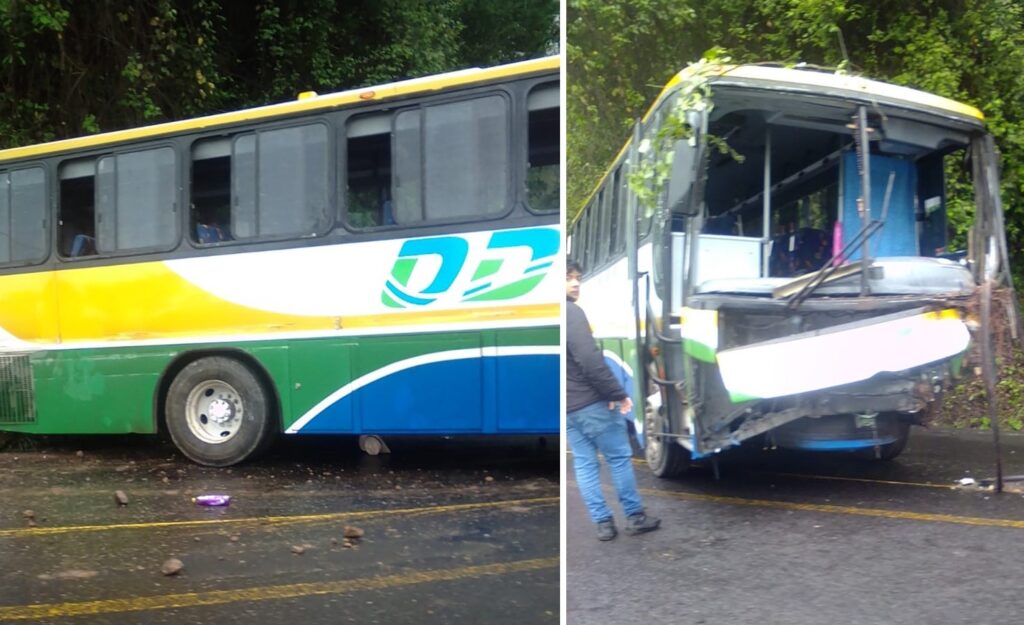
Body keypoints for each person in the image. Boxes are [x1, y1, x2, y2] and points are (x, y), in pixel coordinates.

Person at [566, 259, 660, 541]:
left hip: (567, 408)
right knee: (618, 458)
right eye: (568, 278)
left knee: (584, 465)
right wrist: (617, 394)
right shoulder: (570, 312)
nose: (575, 283)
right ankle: (635, 517)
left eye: (577, 278)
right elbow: (589, 359)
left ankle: (603, 524)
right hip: (591, 404)